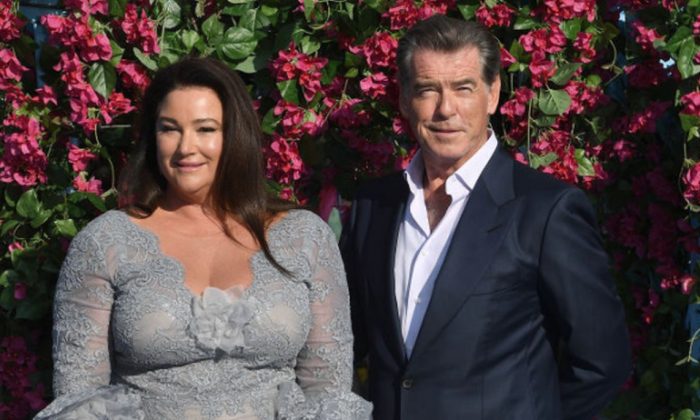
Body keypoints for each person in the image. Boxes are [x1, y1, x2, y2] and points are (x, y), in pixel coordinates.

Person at [36, 57, 372, 419]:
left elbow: (327, 391)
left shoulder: (304, 238)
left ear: (234, 135)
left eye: (205, 129)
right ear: (153, 137)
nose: (186, 148)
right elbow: (81, 400)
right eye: (170, 129)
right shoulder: (105, 243)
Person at [340, 15, 631, 420]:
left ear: (492, 94)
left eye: (463, 88)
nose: (446, 109)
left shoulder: (545, 209)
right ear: (405, 98)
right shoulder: (374, 206)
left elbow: (604, 361)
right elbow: (342, 343)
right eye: (428, 90)